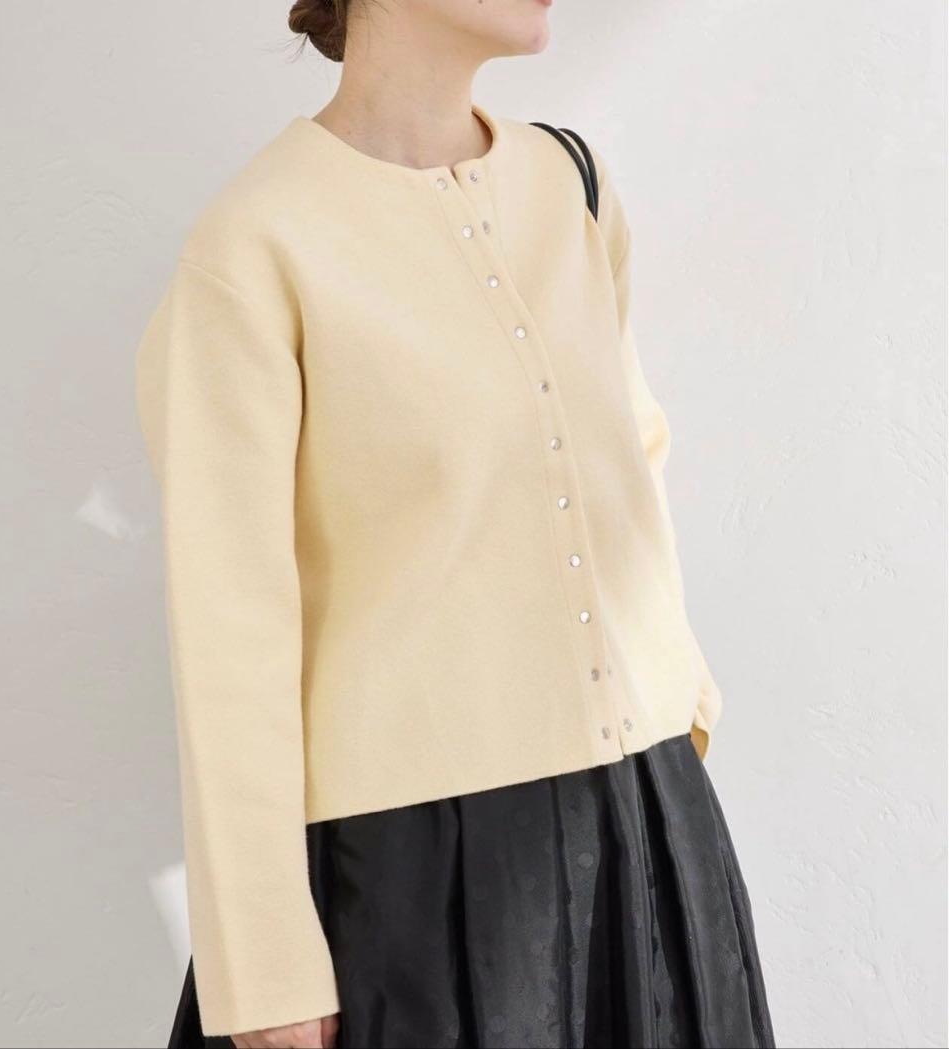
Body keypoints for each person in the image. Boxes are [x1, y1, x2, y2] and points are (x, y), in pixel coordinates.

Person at [135, 2, 777, 1047]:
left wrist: (680, 702)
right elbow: (230, 624)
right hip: (417, 874)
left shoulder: (572, 183)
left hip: (649, 819)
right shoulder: (256, 243)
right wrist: (265, 963)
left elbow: (634, 459)